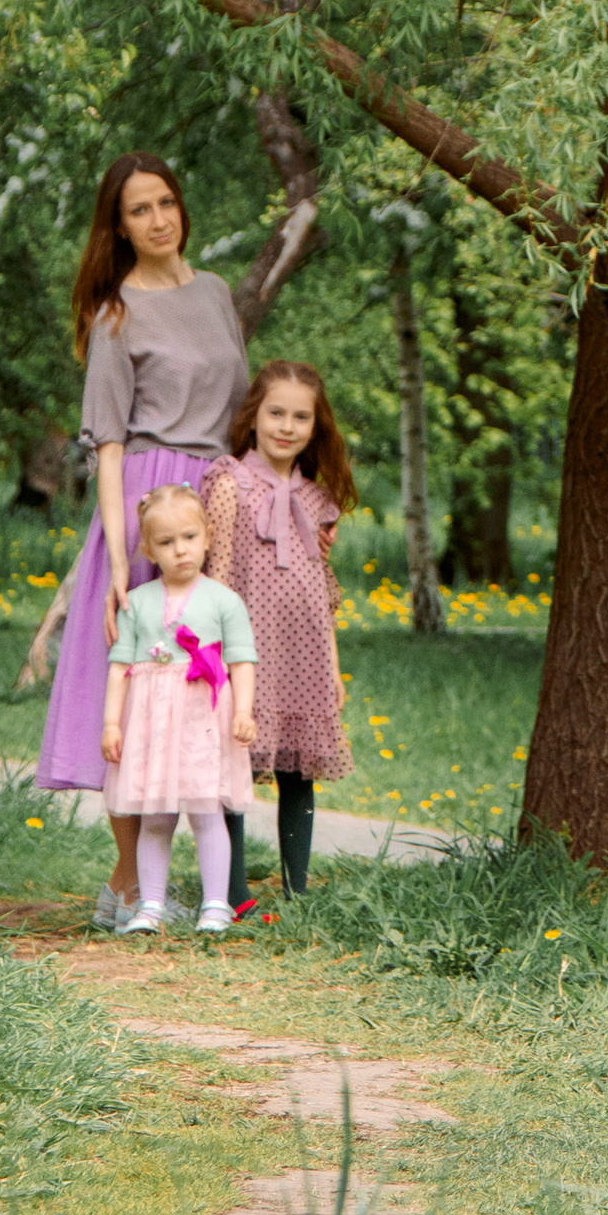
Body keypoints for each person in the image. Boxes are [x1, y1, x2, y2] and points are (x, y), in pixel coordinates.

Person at [37, 151, 251, 927]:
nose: (159, 219)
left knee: (207, 683)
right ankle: (130, 880)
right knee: (137, 681)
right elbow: (111, 447)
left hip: (214, 499)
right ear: (118, 226)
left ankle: (222, 879)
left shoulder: (217, 293)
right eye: (139, 210)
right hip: (144, 507)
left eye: (167, 202)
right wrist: (123, 557)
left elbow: (238, 410)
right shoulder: (115, 316)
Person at [202, 358, 357, 898]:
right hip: (244, 653)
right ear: (253, 417)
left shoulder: (316, 500)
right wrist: (212, 653)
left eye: (300, 417)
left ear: (316, 427)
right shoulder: (229, 483)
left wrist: (333, 668)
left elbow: (322, 594)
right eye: (275, 413)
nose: (286, 427)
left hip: (305, 653)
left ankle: (297, 890)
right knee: (233, 763)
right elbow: (215, 575)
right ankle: (234, 892)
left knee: (299, 770)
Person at [101, 486, 256, 936]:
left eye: (189, 537)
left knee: (207, 812)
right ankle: (150, 906)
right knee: (155, 816)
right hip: (153, 725)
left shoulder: (223, 600)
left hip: (202, 723)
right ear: (148, 549)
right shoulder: (138, 600)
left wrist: (243, 710)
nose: (180, 550)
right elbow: (120, 667)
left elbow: (242, 659)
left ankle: (215, 905)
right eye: (166, 542)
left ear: (207, 537)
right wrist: (112, 722)